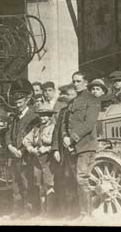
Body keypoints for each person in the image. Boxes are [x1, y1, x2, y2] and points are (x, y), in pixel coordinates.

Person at [62, 71, 101, 221]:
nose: (75, 84)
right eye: (74, 81)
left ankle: (87, 215)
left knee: (82, 179)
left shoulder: (92, 100)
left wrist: (71, 138)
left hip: (86, 146)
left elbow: (89, 124)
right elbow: (66, 123)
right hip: (73, 147)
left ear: (86, 82)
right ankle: (81, 213)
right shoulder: (73, 102)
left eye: (78, 81)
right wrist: (65, 136)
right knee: (76, 181)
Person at [6, 90, 38, 217]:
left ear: (26, 101)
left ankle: (28, 211)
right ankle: (17, 210)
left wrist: (22, 150)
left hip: (26, 156)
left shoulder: (33, 116)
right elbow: (8, 133)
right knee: (15, 184)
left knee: (26, 183)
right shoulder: (15, 116)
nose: (18, 105)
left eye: (20, 102)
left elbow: (33, 136)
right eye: (16, 103)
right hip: (14, 155)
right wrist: (10, 147)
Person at [23, 104, 58, 216]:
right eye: (41, 115)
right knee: (40, 187)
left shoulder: (54, 128)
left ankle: (50, 213)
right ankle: (43, 212)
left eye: (45, 115)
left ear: (50, 116)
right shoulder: (36, 128)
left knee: (49, 186)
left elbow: (56, 143)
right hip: (37, 161)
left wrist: (47, 149)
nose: (42, 118)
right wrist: (31, 149)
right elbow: (26, 140)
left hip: (49, 161)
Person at [52, 84, 77, 216]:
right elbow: (56, 131)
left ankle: (77, 212)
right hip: (63, 152)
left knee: (76, 180)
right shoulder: (63, 111)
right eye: (69, 95)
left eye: (73, 95)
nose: (70, 98)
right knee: (65, 181)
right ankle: (66, 212)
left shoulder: (82, 110)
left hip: (77, 151)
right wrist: (55, 149)